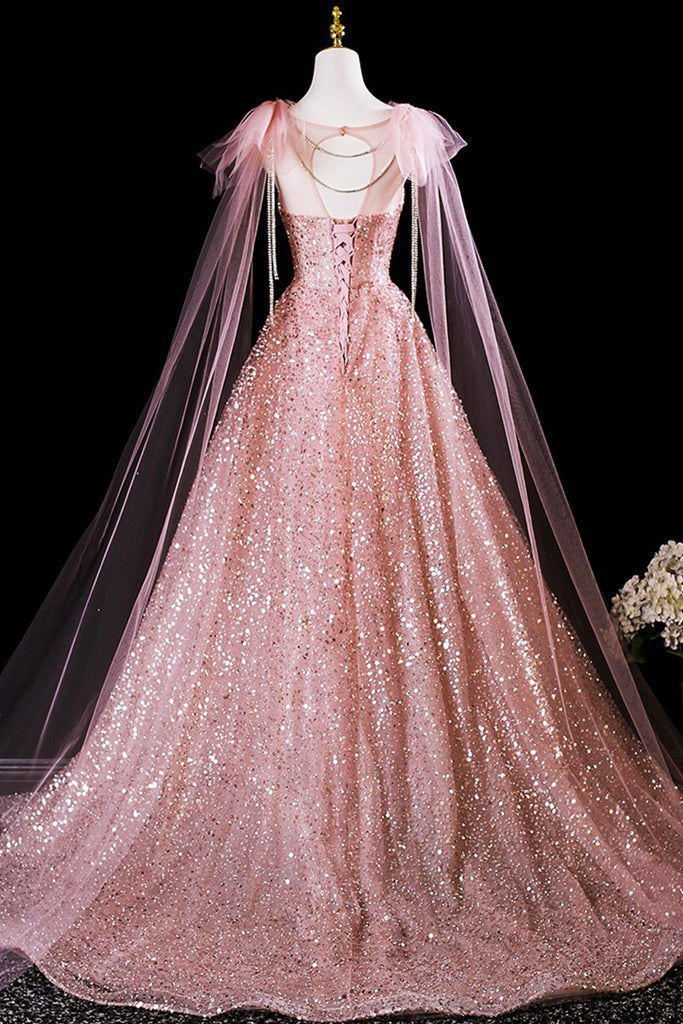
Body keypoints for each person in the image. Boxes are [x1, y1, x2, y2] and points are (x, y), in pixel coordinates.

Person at [1, 40, 682, 1021]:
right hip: (295, 374)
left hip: (393, 367)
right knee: (276, 573)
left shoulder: (408, 135)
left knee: (415, 569)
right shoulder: (271, 131)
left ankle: (418, 817)